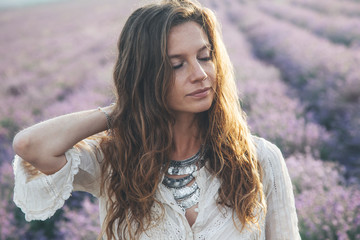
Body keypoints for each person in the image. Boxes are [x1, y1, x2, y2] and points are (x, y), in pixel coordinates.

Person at [12, 0, 301, 239]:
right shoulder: (115, 160)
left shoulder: (259, 158)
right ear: (146, 77)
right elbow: (31, 145)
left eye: (204, 56)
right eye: (177, 65)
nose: (199, 74)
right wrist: (128, 107)